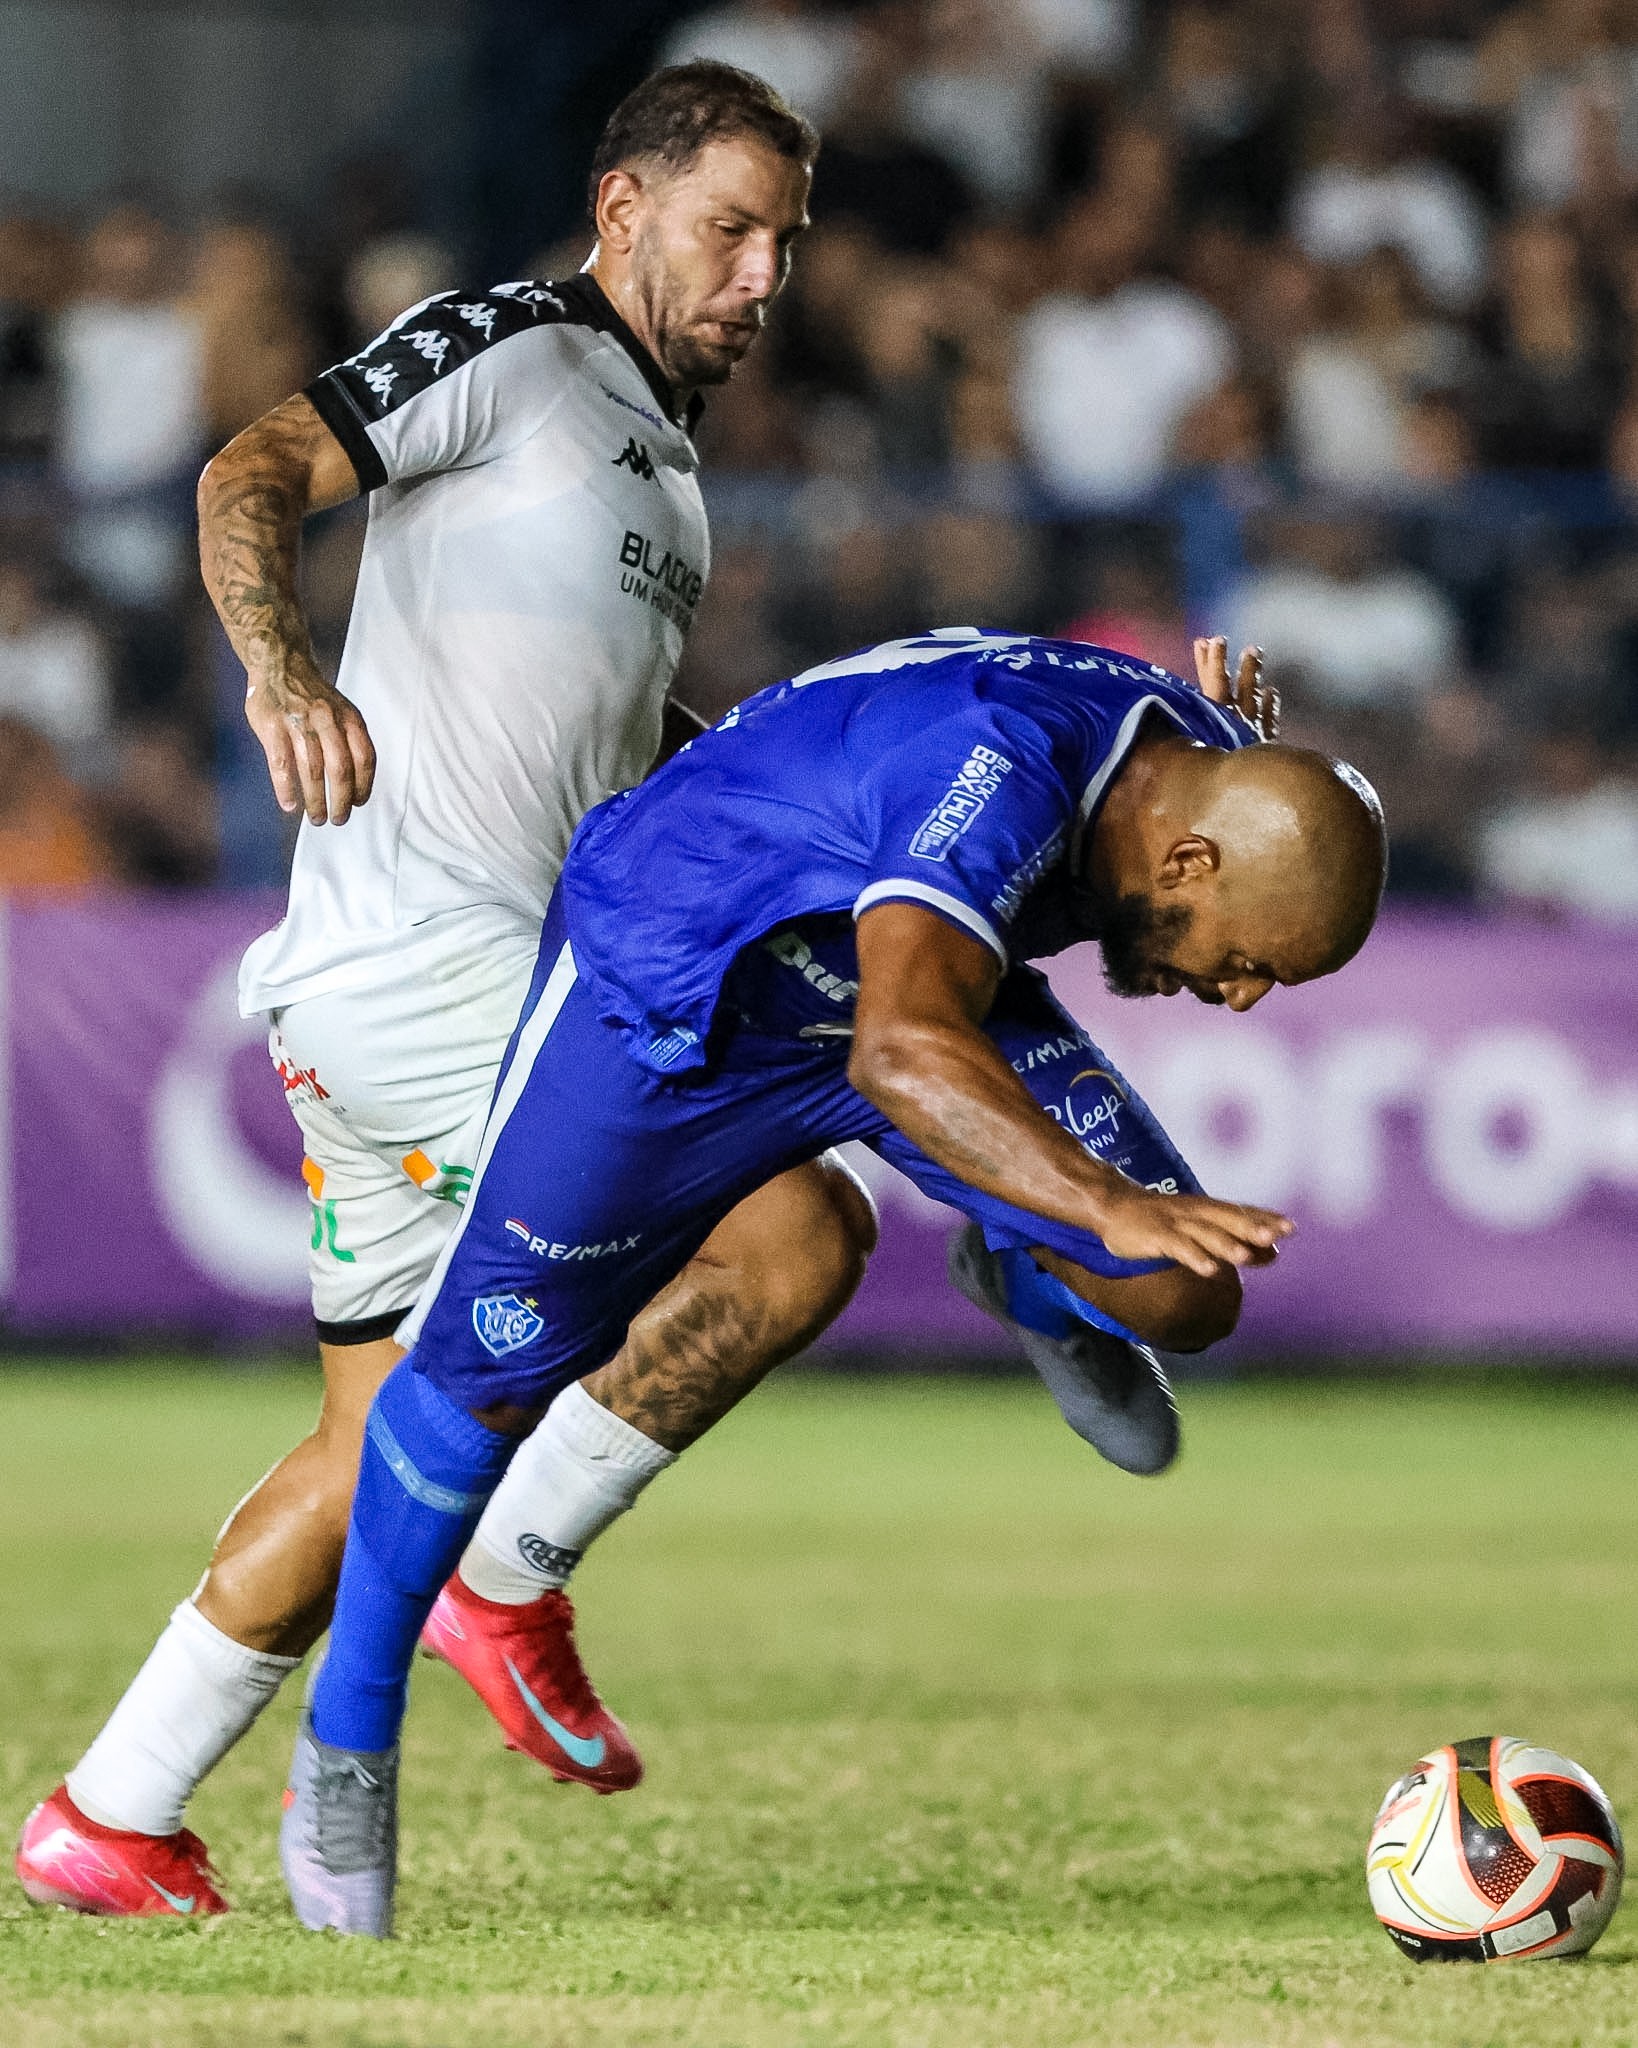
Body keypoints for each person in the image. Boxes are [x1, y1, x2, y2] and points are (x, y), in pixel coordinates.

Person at [17, 62, 886, 1922]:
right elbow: (251, 465)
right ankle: (509, 1571)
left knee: (366, 1449)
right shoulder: (516, 345)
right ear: (620, 208)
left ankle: (107, 1809)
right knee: (793, 1227)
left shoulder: (665, 469)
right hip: (428, 965)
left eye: (784, 243)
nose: (761, 276)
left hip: (421, 984)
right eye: (729, 229)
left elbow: (622, 743)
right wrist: (279, 671)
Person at [274, 626, 1386, 1935]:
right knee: (477, 1377)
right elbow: (898, 1052)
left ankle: (1022, 1272)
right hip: (682, 994)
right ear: (1188, 857)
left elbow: (1203, 825)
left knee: (1185, 1297)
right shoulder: (1001, 769)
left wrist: (1106, 1225)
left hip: (903, 981)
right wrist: (1098, 1201)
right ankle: (344, 1754)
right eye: (1250, 956)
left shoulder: (1187, 769)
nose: (1242, 997)